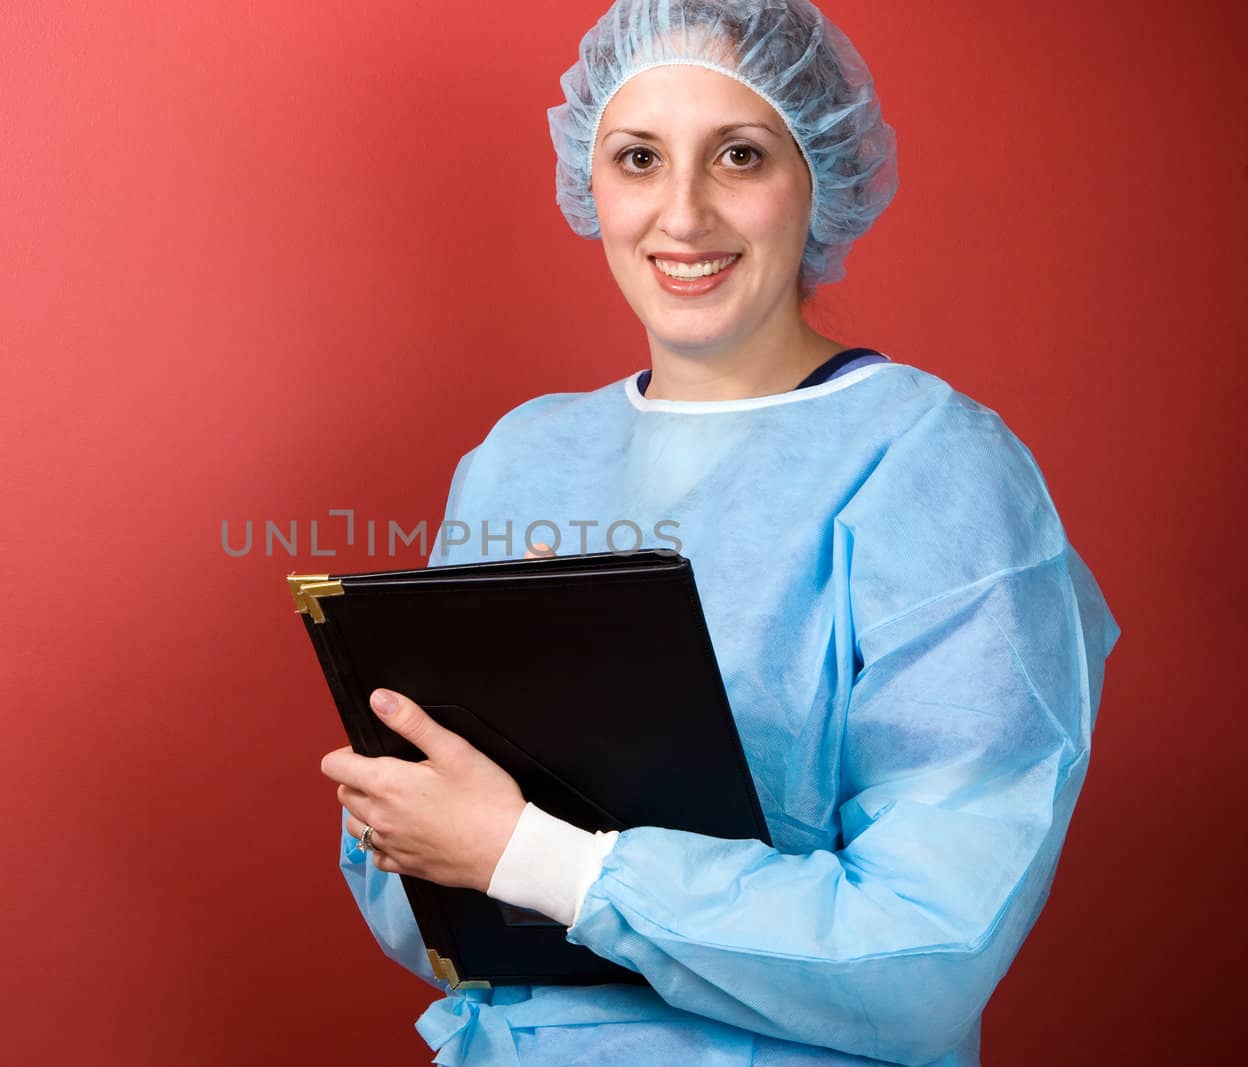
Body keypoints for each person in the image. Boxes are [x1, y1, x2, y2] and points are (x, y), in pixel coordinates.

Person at [317, 1, 1119, 1063]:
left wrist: (532, 852)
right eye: (638, 157)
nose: (681, 215)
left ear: (815, 174)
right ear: (587, 183)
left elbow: (929, 944)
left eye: (738, 155)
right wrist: (408, 807)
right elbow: (425, 893)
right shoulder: (521, 459)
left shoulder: (930, 464)